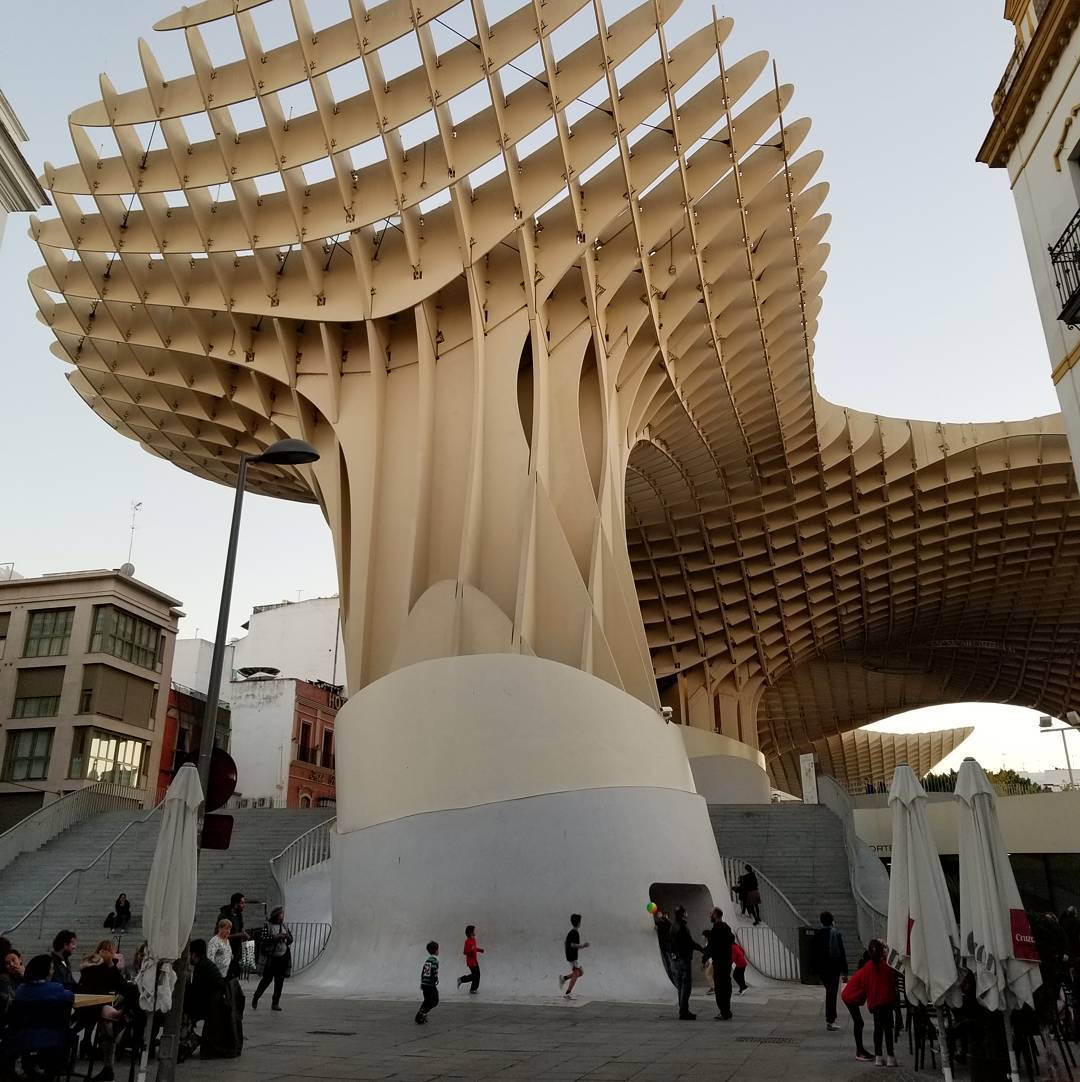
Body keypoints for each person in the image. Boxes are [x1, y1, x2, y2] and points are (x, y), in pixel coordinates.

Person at [10, 955, 76, 1078]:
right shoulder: (56, 989)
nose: (53, 971)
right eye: (51, 969)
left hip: (23, 1036)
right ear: (46, 972)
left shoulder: (21, 990)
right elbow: (70, 997)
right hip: (53, 1036)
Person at [77, 944, 130, 1082]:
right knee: (107, 1021)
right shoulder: (95, 967)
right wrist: (110, 964)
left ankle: (108, 1068)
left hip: (98, 1005)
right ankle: (115, 1018)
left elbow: (121, 985)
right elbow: (117, 983)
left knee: (107, 1025)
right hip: (89, 1006)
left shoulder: (106, 969)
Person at [252, 906, 293, 1012]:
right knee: (266, 980)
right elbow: (264, 938)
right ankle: (256, 996)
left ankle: (275, 1003)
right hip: (271, 957)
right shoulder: (267, 925)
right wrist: (276, 937)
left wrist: (286, 937)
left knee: (279, 981)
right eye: (280, 914)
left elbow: (291, 939)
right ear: (276, 915)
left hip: (282, 956)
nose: (282, 916)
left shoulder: (284, 925)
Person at [814, 911, 848, 1031]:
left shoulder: (817, 934)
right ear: (832, 920)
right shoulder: (835, 933)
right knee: (831, 994)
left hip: (823, 969)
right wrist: (845, 971)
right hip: (833, 968)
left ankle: (831, 1019)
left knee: (830, 992)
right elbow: (841, 953)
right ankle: (830, 1020)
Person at [840, 948, 875, 1062]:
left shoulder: (865, 969)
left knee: (859, 1022)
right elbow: (869, 990)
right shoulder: (867, 972)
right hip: (850, 997)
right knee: (859, 1023)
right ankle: (859, 1051)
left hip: (849, 996)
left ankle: (860, 1050)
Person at [671, 906, 703, 1020]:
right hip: (684, 958)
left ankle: (682, 1009)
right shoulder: (682, 927)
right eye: (686, 912)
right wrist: (701, 949)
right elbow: (689, 943)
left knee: (680, 986)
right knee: (686, 986)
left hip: (677, 960)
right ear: (683, 914)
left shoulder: (673, 926)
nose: (687, 914)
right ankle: (684, 1011)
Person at [702, 907, 734, 1020]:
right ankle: (727, 1010)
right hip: (727, 961)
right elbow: (732, 939)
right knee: (726, 986)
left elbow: (711, 946)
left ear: (715, 915)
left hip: (719, 962)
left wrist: (704, 959)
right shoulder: (726, 927)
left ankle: (724, 1011)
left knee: (719, 988)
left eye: (711, 913)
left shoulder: (716, 929)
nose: (709, 915)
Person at [217, 894, 250, 978]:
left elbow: (239, 930)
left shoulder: (239, 915)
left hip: (236, 950)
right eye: (242, 903)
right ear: (236, 904)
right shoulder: (224, 916)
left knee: (234, 976)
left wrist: (243, 935)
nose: (244, 905)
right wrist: (241, 934)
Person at [558, 914, 588, 1000]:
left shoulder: (571, 932)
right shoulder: (574, 933)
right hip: (572, 956)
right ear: (579, 923)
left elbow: (566, 942)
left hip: (572, 955)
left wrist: (567, 952)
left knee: (581, 973)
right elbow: (572, 944)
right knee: (576, 973)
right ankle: (568, 993)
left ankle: (564, 978)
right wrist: (582, 945)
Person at [415, 941, 439, 1024]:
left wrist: (422, 982)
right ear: (436, 951)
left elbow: (423, 971)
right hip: (430, 984)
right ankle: (422, 1014)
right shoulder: (435, 960)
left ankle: (419, 1015)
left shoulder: (428, 960)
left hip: (425, 983)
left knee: (427, 1000)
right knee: (434, 1001)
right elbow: (434, 970)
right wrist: (435, 979)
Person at [456, 925, 484, 993]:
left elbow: (474, 949)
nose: (475, 932)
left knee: (477, 975)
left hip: (475, 961)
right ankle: (462, 980)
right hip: (471, 962)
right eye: (474, 931)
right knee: (475, 975)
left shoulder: (473, 940)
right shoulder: (467, 941)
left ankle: (473, 988)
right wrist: (470, 950)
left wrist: (479, 950)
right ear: (471, 932)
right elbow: (465, 952)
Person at [652, 908, 677, 988]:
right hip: (664, 946)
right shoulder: (659, 924)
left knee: (672, 965)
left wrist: (663, 917)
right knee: (668, 966)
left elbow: (669, 924)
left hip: (669, 946)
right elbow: (655, 924)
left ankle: (677, 982)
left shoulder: (668, 924)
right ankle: (673, 983)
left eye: (665, 916)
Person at [0, 948, 22, 1021]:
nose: (11, 964)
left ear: (20, 959)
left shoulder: (30, 975)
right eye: (7, 963)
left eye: (13, 960)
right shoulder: (4, 978)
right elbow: (11, 1000)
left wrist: (25, 976)